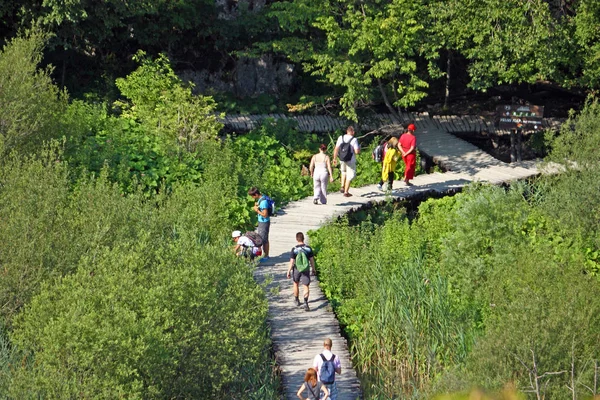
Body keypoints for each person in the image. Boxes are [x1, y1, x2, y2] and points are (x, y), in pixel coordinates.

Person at [287, 232, 316, 311]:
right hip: (306, 269)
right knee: (305, 285)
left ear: (297, 239)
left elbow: (292, 261)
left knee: (296, 283)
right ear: (303, 238)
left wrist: (288, 271)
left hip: (297, 268)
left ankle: (296, 300)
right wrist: (313, 269)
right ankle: (306, 303)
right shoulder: (308, 248)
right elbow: (312, 260)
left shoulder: (294, 249)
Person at [333, 126, 360, 197]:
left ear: (347, 131)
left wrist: (334, 158)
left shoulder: (340, 138)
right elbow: (357, 152)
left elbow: (336, 149)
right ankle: (346, 192)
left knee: (343, 172)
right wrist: (359, 149)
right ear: (352, 132)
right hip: (350, 160)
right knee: (350, 175)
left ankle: (342, 186)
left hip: (342, 159)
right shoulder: (354, 139)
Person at [248, 187, 271, 262]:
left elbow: (265, 214)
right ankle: (265, 255)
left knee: (264, 239)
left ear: (256, 194)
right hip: (262, 222)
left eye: (253, 196)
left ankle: (266, 256)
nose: (252, 197)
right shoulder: (262, 198)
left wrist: (257, 210)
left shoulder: (263, 202)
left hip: (264, 222)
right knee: (264, 238)